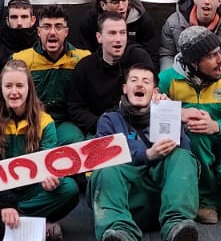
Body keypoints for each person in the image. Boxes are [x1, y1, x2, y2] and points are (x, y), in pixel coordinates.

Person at [91, 61, 200, 241]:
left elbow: (184, 156)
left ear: (155, 90)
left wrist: (170, 114)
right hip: (126, 203)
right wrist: (146, 154)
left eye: (146, 81)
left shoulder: (167, 115)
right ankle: (122, 238)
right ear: (125, 88)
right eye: (134, 80)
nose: (139, 85)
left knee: (182, 157)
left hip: (161, 201)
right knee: (105, 166)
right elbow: (102, 156)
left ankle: (176, 229)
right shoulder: (109, 120)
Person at [0, 60, 80, 241]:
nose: (14, 91)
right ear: (0, 88)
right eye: (8, 86)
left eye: (19, 85)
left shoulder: (44, 121)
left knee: (69, 189)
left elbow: (47, 162)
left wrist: (50, 178)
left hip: (31, 191)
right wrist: (5, 201)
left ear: (29, 88)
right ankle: (38, 226)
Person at [158, 24, 221, 224]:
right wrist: (178, 112)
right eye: (212, 56)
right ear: (195, 63)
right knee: (196, 128)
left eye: (219, 52)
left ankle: (210, 186)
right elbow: (153, 123)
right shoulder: (167, 80)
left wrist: (217, 127)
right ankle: (205, 200)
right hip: (190, 145)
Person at [66, 11, 155, 144]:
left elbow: (152, 93)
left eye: (122, 33)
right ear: (99, 37)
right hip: (100, 130)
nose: (118, 39)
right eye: (112, 33)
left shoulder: (139, 58)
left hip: (138, 127)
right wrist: (103, 124)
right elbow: (75, 107)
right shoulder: (85, 67)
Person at [12, 5, 90, 143]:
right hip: (31, 121)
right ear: (38, 31)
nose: (52, 32)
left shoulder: (82, 59)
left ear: (66, 32)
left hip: (66, 123)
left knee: (74, 139)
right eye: (47, 27)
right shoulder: (21, 60)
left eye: (58, 27)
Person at [71, 0, 159, 58]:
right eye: (115, 2)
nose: (121, 6)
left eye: (124, 0)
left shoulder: (142, 19)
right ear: (103, 5)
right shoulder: (89, 21)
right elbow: (83, 55)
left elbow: (151, 55)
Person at [0, 0, 36, 89]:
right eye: (14, 17)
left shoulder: (40, 47)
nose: (19, 22)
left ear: (32, 20)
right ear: (7, 20)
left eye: (24, 17)